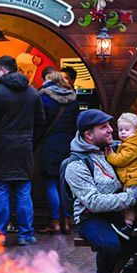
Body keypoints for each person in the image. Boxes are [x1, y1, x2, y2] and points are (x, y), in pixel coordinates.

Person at [64, 109, 137, 273]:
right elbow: (93, 202)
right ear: (88, 135)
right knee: (110, 245)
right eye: (104, 127)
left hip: (121, 216)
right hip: (91, 217)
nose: (111, 129)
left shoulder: (117, 148)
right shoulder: (76, 165)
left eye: (109, 125)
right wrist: (133, 196)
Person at [0, 55, 45, 246]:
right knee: (24, 192)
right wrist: (30, 141)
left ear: (3, 70)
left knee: (0, 192)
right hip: (24, 149)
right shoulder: (33, 94)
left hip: (0, 149)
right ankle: (25, 235)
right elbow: (41, 123)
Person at [36, 71, 79, 234]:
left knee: (51, 183)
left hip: (50, 144)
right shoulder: (73, 99)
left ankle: (55, 222)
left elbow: (40, 123)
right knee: (66, 184)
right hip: (68, 145)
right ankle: (67, 221)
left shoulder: (44, 98)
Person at [106, 112, 137, 238]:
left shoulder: (132, 146)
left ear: (136, 130)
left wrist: (109, 155)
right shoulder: (135, 142)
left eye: (127, 129)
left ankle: (128, 225)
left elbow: (121, 160)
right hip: (135, 178)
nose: (123, 132)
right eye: (120, 130)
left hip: (133, 180)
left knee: (128, 204)